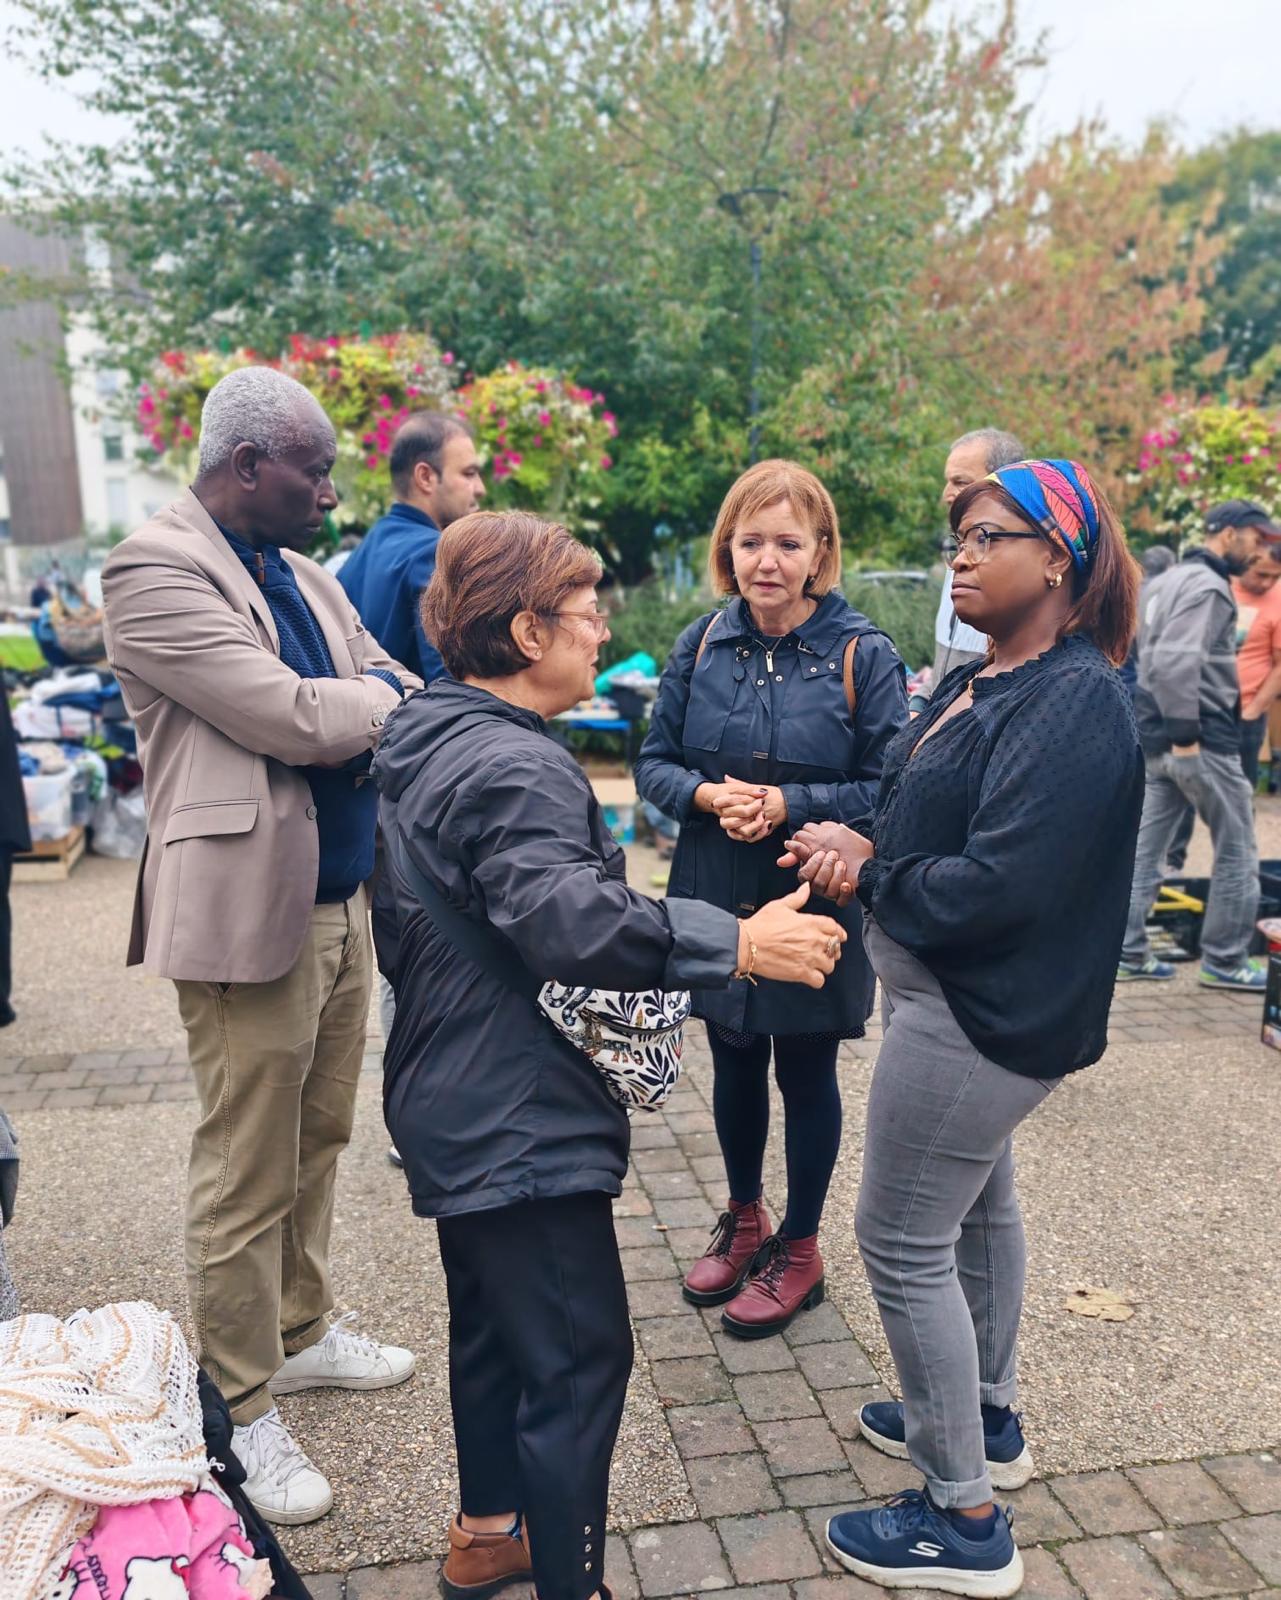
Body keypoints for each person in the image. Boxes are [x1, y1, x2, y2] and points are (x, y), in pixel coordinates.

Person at [372, 508, 845, 1600]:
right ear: (529, 632)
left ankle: (489, 1533)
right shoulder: (513, 766)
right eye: (587, 616)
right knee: (580, 1361)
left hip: (454, 1087)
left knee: (497, 1331)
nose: (601, 634)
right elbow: (565, 919)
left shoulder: (436, 732)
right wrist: (738, 942)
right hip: (516, 1107)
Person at [780, 458, 1143, 1598]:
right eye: (960, 540)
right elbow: (898, 801)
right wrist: (848, 836)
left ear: (1060, 560)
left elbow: (1000, 886)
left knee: (899, 1241)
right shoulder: (977, 677)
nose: (964, 557)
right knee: (979, 1207)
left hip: (983, 1011)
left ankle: (961, 1517)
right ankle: (983, 1418)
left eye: (990, 537)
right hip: (942, 995)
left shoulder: (1075, 700)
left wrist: (874, 869)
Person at [101, 366, 423, 1526]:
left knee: (323, 1131)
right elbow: (285, 713)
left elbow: (381, 675)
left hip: (339, 899)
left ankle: (299, 1328)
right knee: (245, 1167)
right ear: (248, 465)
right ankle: (240, 1409)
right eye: (316, 469)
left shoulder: (300, 571)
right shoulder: (151, 570)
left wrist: (373, 702)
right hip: (245, 914)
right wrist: (378, 709)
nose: (333, 493)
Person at [634, 460, 908, 1339]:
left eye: (788, 542)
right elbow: (654, 764)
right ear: (728, 548)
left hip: (812, 884)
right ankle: (745, 1214)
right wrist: (710, 798)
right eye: (751, 541)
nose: (767, 560)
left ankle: (799, 1245)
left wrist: (795, 804)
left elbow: (895, 786)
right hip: (716, 881)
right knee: (734, 1051)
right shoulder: (701, 642)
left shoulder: (864, 652)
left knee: (806, 1064)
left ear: (820, 551)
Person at [1120, 498, 1281, 990]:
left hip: (1154, 738)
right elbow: (1172, 664)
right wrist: (1188, 738)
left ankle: (1127, 951)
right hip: (1199, 740)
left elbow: (1148, 657)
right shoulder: (1209, 586)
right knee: (1237, 849)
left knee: (1146, 848)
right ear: (1229, 533)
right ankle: (1226, 960)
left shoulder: (1164, 580)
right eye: (1259, 539)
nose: (1262, 552)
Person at [338, 410, 485, 683]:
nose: (480, 488)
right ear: (425, 477)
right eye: (469, 473)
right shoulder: (435, 553)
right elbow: (452, 686)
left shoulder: (358, 558)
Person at [920, 429, 1026, 706]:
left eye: (960, 482)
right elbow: (945, 674)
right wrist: (919, 705)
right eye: (947, 482)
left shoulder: (1016, 573)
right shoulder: (958, 557)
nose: (947, 494)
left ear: (1002, 484)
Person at [1232, 543, 1281, 788]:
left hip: (1247, 712)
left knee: (1240, 793)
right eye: (1262, 575)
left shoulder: (1278, 600)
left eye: (1276, 576)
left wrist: (1254, 710)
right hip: (1205, 709)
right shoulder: (1218, 586)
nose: (1267, 584)